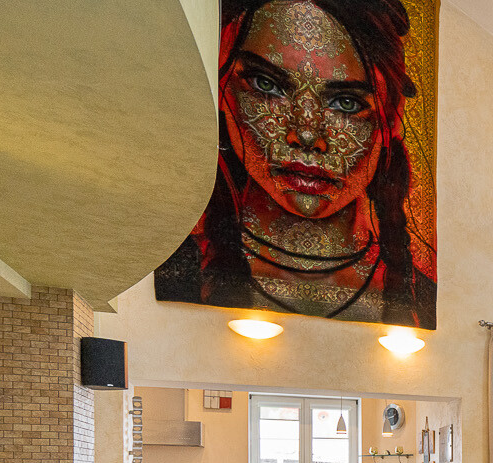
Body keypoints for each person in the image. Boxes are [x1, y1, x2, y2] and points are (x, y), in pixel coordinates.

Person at [156, 0, 436, 327]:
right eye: (267, 85)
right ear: (223, 91)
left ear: (391, 117)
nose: (306, 134)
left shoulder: (419, 296)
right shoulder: (177, 270)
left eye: (346, 103)